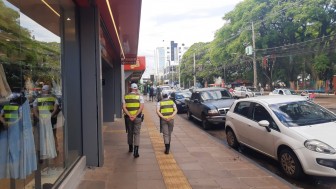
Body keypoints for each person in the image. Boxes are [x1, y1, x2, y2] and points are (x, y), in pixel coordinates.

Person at [33, 85, 59, 162]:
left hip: (44, 119)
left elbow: (34, 109)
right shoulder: (53, 97)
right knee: (50, 135)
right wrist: (50, 116)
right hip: (48, 119)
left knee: (44, 135)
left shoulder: (38, 98)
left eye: (44, 89)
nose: (43, 91)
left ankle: (45, 152)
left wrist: (39, 117)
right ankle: (50, 152)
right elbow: (56, 108)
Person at [122, 83, 144, 158]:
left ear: (130, 88)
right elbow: (141, 107)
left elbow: (124, 108)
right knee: (137, 133)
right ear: (136, 88)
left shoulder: (125, 97)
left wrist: (129, 115)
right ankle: (136, 152)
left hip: (128, 118)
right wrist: (135, 115)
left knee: (130, 132)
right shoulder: (140, 97)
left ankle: (130, 148)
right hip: (137, 118)